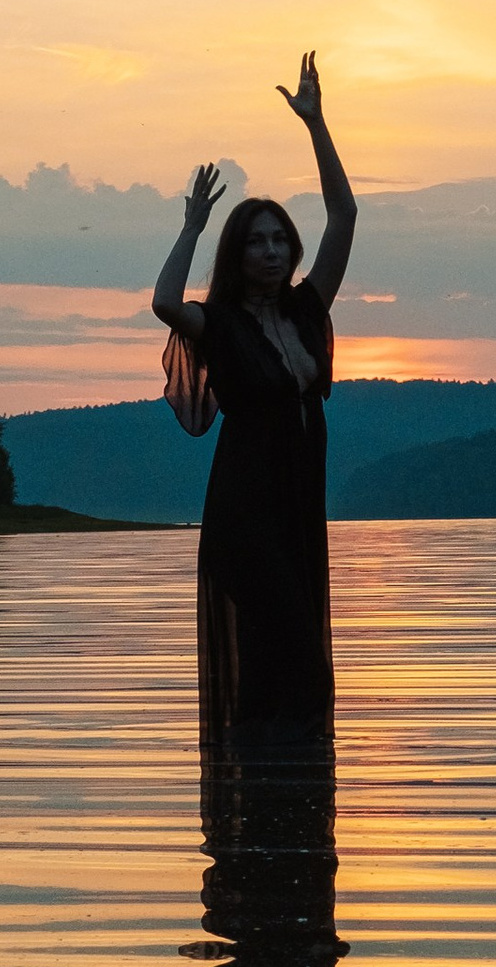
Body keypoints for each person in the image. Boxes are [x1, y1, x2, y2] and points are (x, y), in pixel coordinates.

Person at [152, 52, 356, 752]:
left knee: (282, 671)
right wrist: (192, 226)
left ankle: (274, 808)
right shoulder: (220, 325)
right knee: (297, 659)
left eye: (279, 240)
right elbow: (165, 303)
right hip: (244, 516)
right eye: (257, 243)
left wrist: (316, 125)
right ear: (237, 255)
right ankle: (269, 797)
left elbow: (344, 213)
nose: (271, 251)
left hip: (298, 509)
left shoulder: (306, 309)